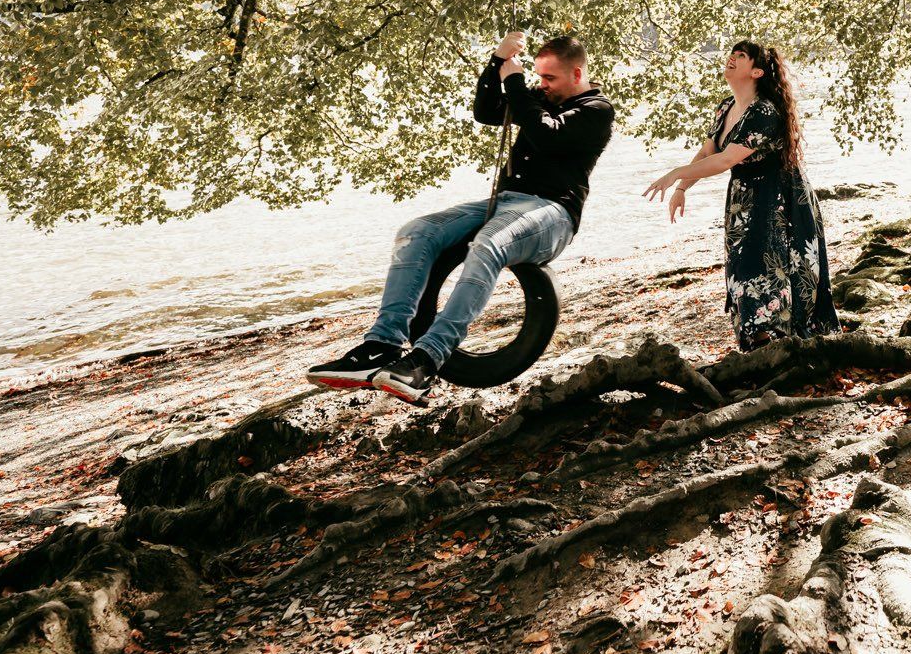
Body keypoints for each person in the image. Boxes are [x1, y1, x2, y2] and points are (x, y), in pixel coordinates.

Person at [307, 30, 614, 401]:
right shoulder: (536, 97)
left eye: (549, 78)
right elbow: (486, 112)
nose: (541, 84)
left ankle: (426, 360)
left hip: (552, 213)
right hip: (506, 201)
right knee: (416, 231)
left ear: (577, 74)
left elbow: (547, 134)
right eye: (537, 76)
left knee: (489, 242)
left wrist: (514, 81)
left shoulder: (596, 110)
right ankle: (381, 345)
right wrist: (497, 63)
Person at [644, 42, 838, 351]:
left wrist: (674, 173)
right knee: (742, 267)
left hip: (778, 199)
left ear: (757, 72)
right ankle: (760, 347)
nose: (731, 59)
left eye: (741, 57)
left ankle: (786, 344)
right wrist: (682, 187)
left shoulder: (764, 111)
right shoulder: (725, 107)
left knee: (771, 267)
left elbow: (725, 160)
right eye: (731, 55)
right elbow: (709, 152)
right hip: (743, 200)